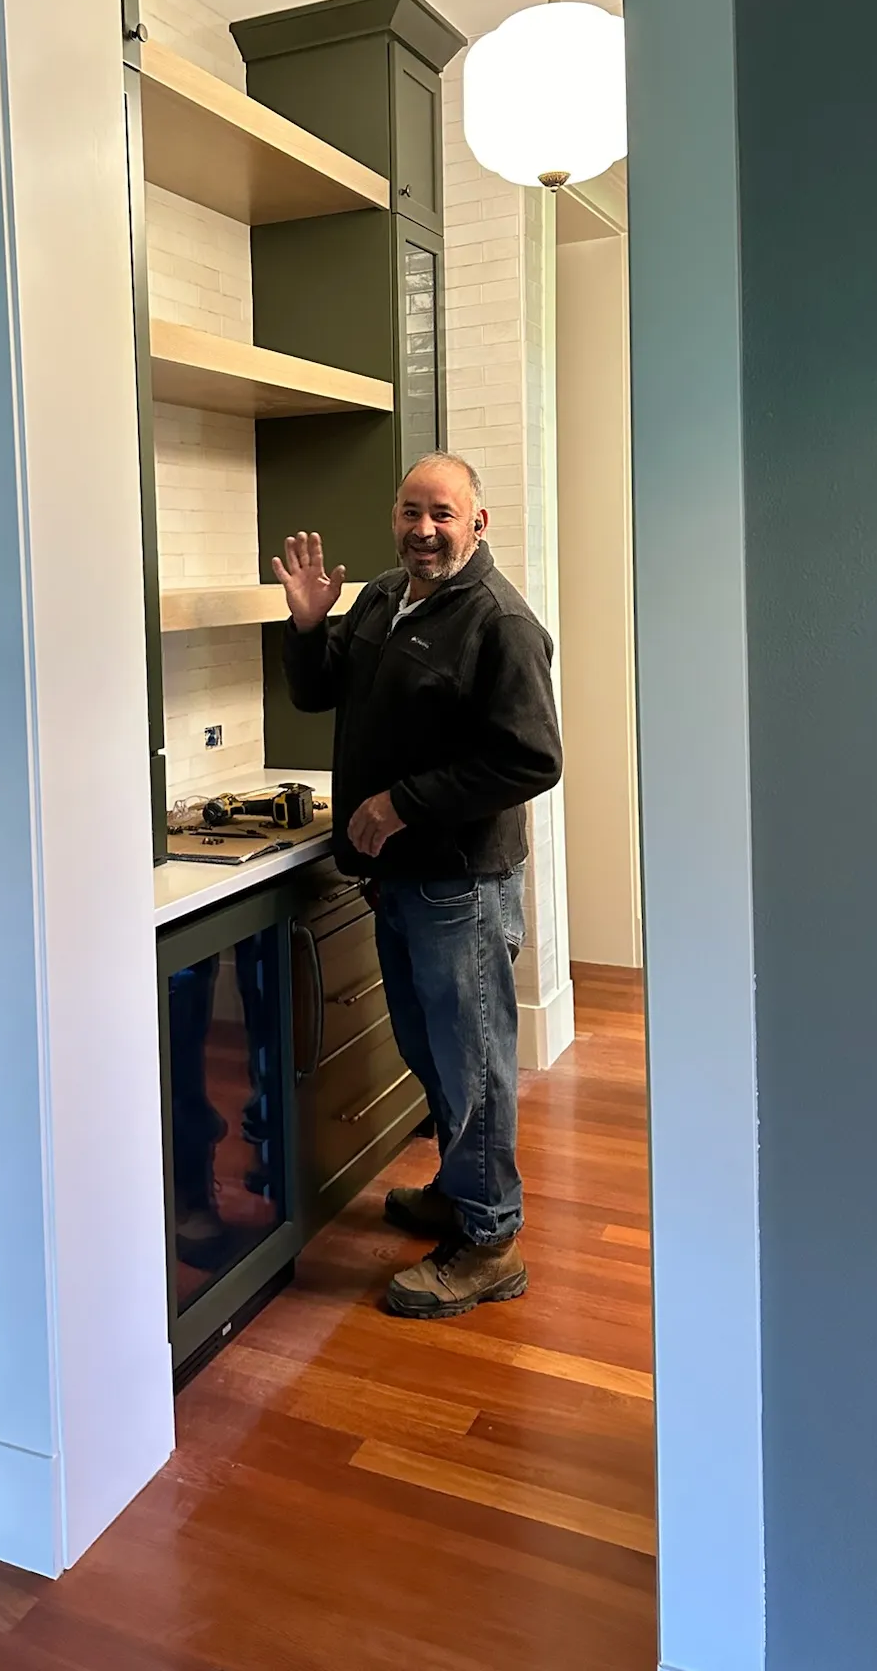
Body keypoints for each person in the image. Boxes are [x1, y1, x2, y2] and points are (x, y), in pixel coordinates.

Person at [271, 453, 562, 1319]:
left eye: (442, 514)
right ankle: (461, 1188)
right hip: (396, 878)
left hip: (456, 880)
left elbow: (531, 757)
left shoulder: (499, 621)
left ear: (478, 523)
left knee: (471, 1061)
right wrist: (305, 626)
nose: (423, 530)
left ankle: (489, 1242)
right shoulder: (380, 600)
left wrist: (401, 804)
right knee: (432, 1050)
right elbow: (322, 692)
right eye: (409, 511)